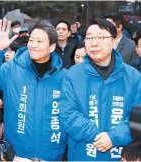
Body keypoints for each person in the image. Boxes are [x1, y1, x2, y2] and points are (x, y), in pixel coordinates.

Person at [0, 18, 68, 161]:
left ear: (51, 47)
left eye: (40, 41)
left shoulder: (64, 77)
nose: (33, 45)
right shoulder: (12, 69)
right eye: (31, 40)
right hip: (17, 154)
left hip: (51, 155)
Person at [60, 19, 141, 161]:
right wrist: (96, 136)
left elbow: (138, 117)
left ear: (114, 41)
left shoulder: (133, 77)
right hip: (83, 155)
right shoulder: (72, 74)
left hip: (120, 155)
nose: (94, 43)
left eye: (101, 37)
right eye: (89, 38)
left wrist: (113, 137)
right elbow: (67, 114)